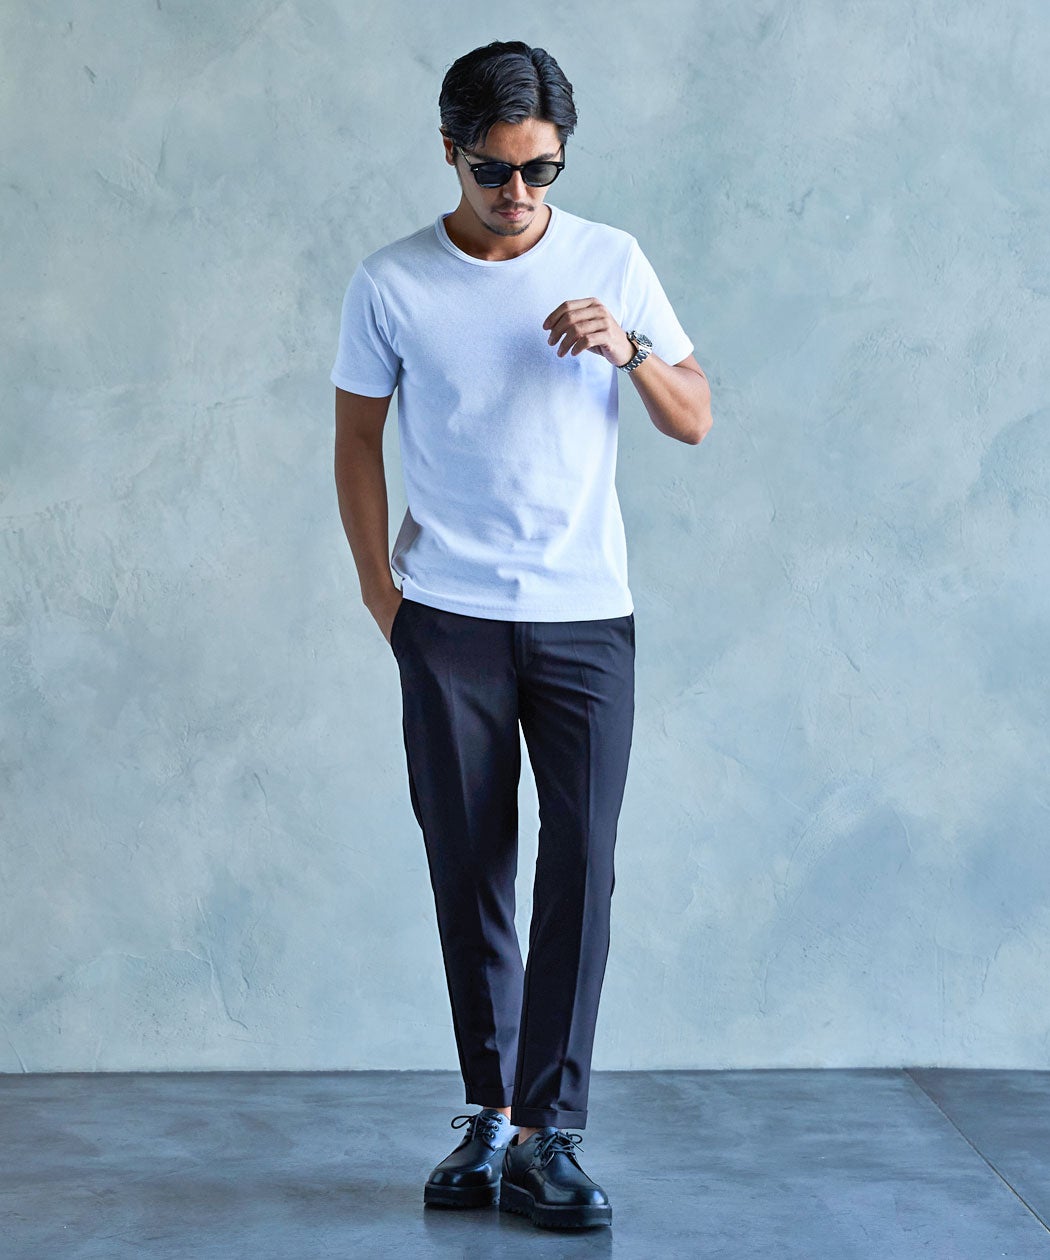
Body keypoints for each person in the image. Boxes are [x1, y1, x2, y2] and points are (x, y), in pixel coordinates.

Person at [330, 39, 712, 1231]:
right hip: (448, 622)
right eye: (495, 170)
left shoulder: (613, 260)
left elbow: (695, 417)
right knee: (469, 865)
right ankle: (490, 1117)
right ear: (451, 152)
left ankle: (553, 1135)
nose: (518, 194)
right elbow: (355, 443)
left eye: (542, 170)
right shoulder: (392, 283)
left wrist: (627, 348)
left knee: (581, 866)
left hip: (585, 619)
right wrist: (382, 597)